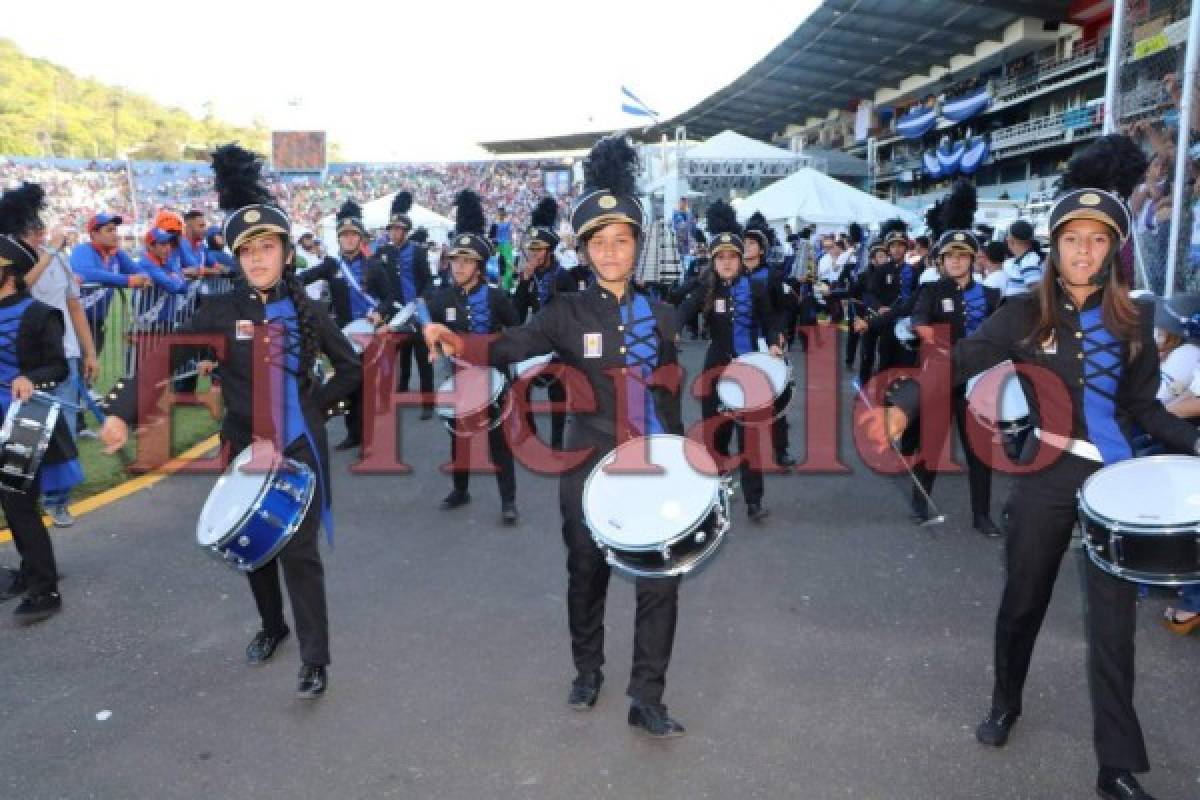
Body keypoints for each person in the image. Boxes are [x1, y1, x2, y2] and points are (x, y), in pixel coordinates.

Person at [862, 135, 1200, 800]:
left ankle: (1117, 765)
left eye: (1096, 241)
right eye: (1072, 239)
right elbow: (958, 362)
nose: (1083, 251)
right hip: (1046, 477)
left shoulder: (1133, 321)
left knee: (1114, 626)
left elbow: (1143, 406)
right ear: (1055, 245)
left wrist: (1192, 447)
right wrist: (902, 405)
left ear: (1111, 249)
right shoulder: (1025, 312)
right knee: (1023, 602)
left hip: (1116, 486)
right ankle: (1005, 700)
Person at [424, 135, 689, 738]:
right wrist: (456, 340)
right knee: (586, 570)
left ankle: (646, 695)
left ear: (637, 246)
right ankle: (587, 668)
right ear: (587, 249)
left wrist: (687, 459)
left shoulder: (666, 316)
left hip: (653, 465)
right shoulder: (566, 312)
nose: (612, 250)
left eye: (622, 239)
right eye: (601, 241)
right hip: (588, 464)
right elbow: (508, 344)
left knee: (660, 581)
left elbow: (671, 397)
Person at [100, 144, 361, 697]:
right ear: (238, 258)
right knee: (251, 545)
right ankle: (272, 625)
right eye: (247, 251)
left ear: (286, 253)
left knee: (301, 554)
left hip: (299, 449)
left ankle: (316, 659)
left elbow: (351, 369)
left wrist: (315, 410)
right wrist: (124, 412)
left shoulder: (310, 310)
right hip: (243, 444)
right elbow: (167, 357)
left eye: (267, 248)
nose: (257, 259)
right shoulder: (221, 311)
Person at [0, 182, 81, 622]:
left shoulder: (36, 313)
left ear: (9, 271)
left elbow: (58, 367)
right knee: (10, 504)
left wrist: (29, 377)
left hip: (21, 423)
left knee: (20, 505)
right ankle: (29, 570)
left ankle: (45, 588)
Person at [676, 199, 782, 521]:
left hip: (750, 371)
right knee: (717, 435)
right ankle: (716, 493)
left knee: (750, 437)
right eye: (719, 257)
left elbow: (772, 319)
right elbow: (682, 308)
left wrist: (776, 340)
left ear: (739, 260)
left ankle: (754, 501)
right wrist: (672, 329)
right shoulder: (705, 287)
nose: (725, 262)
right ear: (713, 260)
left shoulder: (757, 287)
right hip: (717, 370)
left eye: (731, 257)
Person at [426, 190, 520, 523]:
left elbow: (517, 330)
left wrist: (506, 361)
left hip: (493, 377)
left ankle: (507, 500)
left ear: (479, 267)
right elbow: (423, 317)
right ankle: (460, 489)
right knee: (459, 439)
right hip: (459, 378)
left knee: (498, 440)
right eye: (454, 260)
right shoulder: (442, 297)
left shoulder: (497, 297)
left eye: (465, 261)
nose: (458, 267)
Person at [909, 228, 1002, 534]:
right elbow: (918, 320)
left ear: (973, 259)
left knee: (979, 450)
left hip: (977, 383)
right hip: (941, 378)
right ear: (942, 261)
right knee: (932, 443)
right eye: (951, 256)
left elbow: (1003, 333)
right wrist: (930, 338)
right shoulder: (932, 291)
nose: (957, 262)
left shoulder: (991, 295)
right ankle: (921, 502)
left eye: (963, 256)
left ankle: (981, 515)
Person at [24, 212, 99, 527]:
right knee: (30, 431)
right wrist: (51, 251)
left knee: (64, 430)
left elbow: (74, 306)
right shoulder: (13, 265)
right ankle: (30, 498)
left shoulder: (60, 260)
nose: (39, 235)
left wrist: (89, 352)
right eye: (32, 231)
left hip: (65, 356)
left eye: (39, 229)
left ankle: (58, 501)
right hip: (27, 362)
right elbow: (24, 284)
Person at [298, 200, 376, 450]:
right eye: (344, 235)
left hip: (370, 335)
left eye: (353, 235)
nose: (349, 240)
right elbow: (303, 278)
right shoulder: (332, 265)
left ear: (361, 238)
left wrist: (381, 314)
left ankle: (369, 440)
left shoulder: (373, 265)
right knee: (351, 387)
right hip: (344, 337)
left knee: (366, 387)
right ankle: (354, 434)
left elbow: (388, 298)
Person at [512, 197, 577, 450]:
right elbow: (516, 315)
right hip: (536, 339)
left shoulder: (564, 276)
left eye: (538, 249)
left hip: (560, 342)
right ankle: (529, 429)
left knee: (557, 394)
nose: (533, 254)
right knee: (520, 385)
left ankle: (558, 442)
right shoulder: (529, 276)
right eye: (531, 249)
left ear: (549, 251)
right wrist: (524, 282)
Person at [367, 191, 434, 420]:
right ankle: (389, 399)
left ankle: (427, 402)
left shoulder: (418, 252)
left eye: (398, 229)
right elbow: (373, 279)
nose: (394, 233)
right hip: (393, 314)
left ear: (406, 232)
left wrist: (423, 298)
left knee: (422, 357)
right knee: (390, 359)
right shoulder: (382, 252)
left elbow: (427, 281)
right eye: (392, 229)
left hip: (415, 313)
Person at [742, 212, 794, 465]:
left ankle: (781, 450)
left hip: (768, 340)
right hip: (742, 343)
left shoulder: (772, 275)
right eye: (744, 243)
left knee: (778, 395)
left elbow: (784, 308)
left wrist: (781, 333)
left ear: (761, 250)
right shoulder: (733, 275)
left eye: (751, 243)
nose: (745, 247)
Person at [999, 220, 1044, 297]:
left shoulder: (1029, 261)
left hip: (1024, 307)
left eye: (1007, 235)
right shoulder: (1025, 259)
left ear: (1011, 240)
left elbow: (1036, 292)